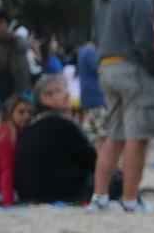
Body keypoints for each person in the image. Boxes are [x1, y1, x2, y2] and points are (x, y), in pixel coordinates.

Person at [89, 0, 154, 213]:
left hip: (107, 66)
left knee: (114, 135)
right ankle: (130, 199)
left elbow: (95, 34)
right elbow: (144, 41)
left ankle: (100, 197)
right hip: (133, 69)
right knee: (138, 136)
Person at [15, 74, 97, 204]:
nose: (67, 94)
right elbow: (91, 160)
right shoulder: (63, 125)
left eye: (64, 89)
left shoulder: (31, 125)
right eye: (59, 91)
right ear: (45, 98)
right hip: (60, 192)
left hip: (28, 192)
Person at [76, 39, 107, 144]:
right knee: (102, 134)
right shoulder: (91, 51)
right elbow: (100, 69)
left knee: (92, 134)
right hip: (96, 96)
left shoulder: (83, 50)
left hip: (88, 96)